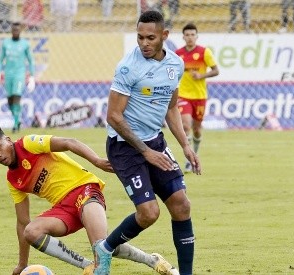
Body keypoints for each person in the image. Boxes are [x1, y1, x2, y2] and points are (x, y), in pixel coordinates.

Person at [0, 126, 179, 275]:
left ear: (8, 140)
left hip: (86, 190)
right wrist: (22, 264)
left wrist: (97, 161)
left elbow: (69, 143)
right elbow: (22, 222)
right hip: (64, 209)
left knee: (102, 247)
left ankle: (152, 260)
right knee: (32, 231)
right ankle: (86, 266)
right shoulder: (13, 180)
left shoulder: (28, 144)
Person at [93, 10, 200, 275]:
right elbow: (114, 116)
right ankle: (106, 247)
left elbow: (171, 108)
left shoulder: (175, 65)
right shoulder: (129, 67)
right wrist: (146, 152)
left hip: (155, 141)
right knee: (149, 213)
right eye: (140, 37)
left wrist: (185, 145)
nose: (144, 43)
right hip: (125, 147)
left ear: (164, 35)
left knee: (181, 205)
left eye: (150, 38)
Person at [175, 23, 219, 173]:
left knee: (197, 129)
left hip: (200, 96)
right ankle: (189, 159)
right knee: (186, 125)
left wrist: (201, 75)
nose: (190, 37)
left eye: (192, 35)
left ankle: (196, 152)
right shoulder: (177, 54)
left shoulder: (204, 52)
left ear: (196, 36)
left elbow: (216, 70)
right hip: (183, 95)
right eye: (187, 35)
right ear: (183, 37)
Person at [0, 22, 36, 133]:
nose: (15, 32)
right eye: (14, 30)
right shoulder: (6, 43)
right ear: (11, 31)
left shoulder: (25, 44)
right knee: (10, 100)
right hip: (8, 74)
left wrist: (32, 77)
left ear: (20, 31)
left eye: (17, 30)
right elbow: (0, 60)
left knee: (17, 97)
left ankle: (16, 124)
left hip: (19, 74)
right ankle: (17, 120)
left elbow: (31, 61)